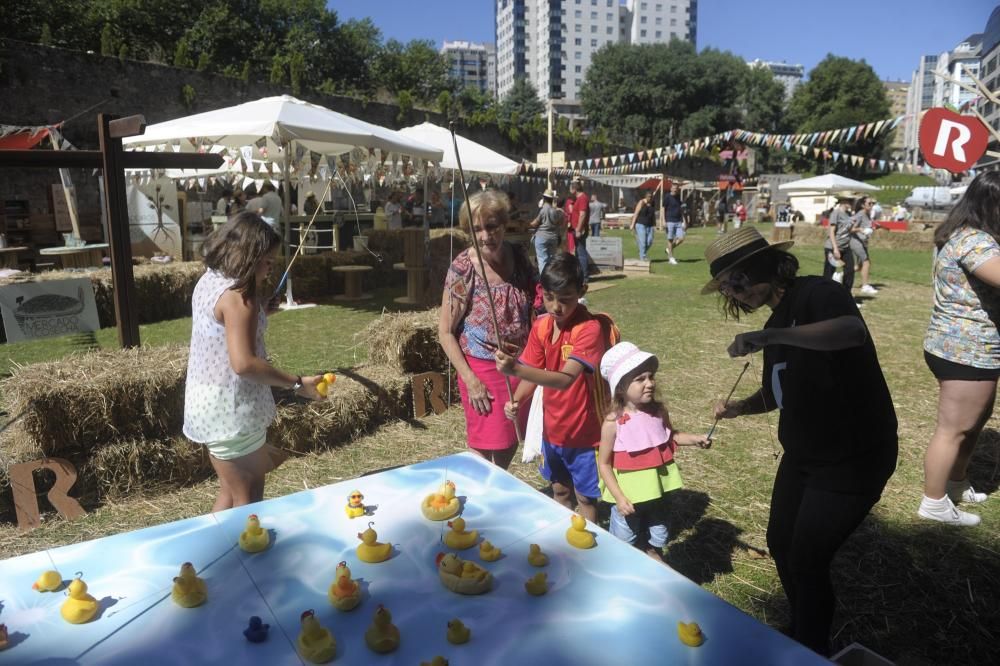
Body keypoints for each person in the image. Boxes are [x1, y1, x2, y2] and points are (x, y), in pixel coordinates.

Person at [705, 226, 897, 655]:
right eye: (726, 288)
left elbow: (850, 332)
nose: (736, 293)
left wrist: (770, 336)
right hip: (804, 456)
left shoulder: (816, 294)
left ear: (767, 266)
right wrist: (740, 407)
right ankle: (803, 629)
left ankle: (811, 648)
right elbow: (778, 394)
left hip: (852, 456)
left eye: (738, 280)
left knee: (807, 558)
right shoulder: (774, 326)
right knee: (780, 542)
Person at [183, 212, 325, 511]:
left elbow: (223, 327)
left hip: (208, 405)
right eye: (268, 261)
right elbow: (244, 363)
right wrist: (298, 383)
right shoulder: (239, 298)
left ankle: (215, 554)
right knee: (248, 505)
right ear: (250, 255)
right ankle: (241, 557)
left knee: (229, 493)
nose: (270, 268)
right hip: (232, 412)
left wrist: (261, 310)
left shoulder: (210, 281)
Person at [496, 252, 605, 523]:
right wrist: (518, 399)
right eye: (549, 297)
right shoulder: (542, 326)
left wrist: (516, 369)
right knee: (559, 489)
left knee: (585, 496)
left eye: (565, 299)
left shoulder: (589, 329)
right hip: (552, 428)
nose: (556, 307)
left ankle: (588, 540)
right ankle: (564, 538)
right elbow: (533, 373)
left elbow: (566, 380)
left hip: (584, 431)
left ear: (582, 291)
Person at [918, 171, 1000, 526]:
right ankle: (934, 503)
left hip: (968, 347)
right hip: (965, 349)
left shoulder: (965, 235)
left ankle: (956, 482)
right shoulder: (975, 242)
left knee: (972, 425)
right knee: (953, 429)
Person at [438, 190, 538, 469]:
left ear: (504, 224)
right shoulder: (463, 268)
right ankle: (480, 503)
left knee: (509, 441)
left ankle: (497, 488)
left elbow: (538, 299)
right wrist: (470, 380)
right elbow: (445, 332)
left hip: (520, 366)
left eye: (491, 227)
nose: (485, 236)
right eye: (476, 229)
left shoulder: (518, 256)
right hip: (482, 371)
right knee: (483, 448)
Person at [597, 341, 710, 561]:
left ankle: (653, 560)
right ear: (620, 387)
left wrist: (695, 439)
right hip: (629, 500)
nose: (649, 383)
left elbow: (671, 436)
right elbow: (604, 464)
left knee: (658, 537)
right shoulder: (613, 422)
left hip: (660, 495)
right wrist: (619, 498)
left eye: (651, 377)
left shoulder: (658, 412)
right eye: (640, 379)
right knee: (623, 543)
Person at [822, 196, 856, 291]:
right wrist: (835, 249)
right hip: (833, 247)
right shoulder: (836, 213)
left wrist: (858, 228)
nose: (853, 202)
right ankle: (824, 294)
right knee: (829, 273)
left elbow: (847, 230)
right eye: (851, 200)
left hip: (845, 247)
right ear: (844, 201)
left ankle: (846, 295)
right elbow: (831, 231)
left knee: (849, 271)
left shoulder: (848, 214)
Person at [530, 189, 563, 273]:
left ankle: (544, 281)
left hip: (542, 237)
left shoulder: (543, 210)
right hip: (553, 237)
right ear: (552, 199)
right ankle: (550, 279)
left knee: (542, 260)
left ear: (544, 198)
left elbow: (535, 223)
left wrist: (527, 223)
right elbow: (559, 223)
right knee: (551, 261)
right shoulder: (555, 211)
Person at [850, 198, 878, 295]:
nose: (871, 205)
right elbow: (850, 228)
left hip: (862, 242)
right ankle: (865, 286)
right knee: (866, 262)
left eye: (873, 203)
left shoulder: (868, 214)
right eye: (869, 203)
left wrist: (873, 228)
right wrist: (861, 230)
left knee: (859, 266)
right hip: (856, 241)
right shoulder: (860, 214)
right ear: (862, 205)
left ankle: (840, 276)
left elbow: (867, 226)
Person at [568, 181, 591, 283]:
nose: (569, 190)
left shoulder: (582, 198)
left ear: (574, 189)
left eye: (570, 188)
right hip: (577, 228)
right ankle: (581, 275)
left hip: (579, 230)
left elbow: (582, 215)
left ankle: (584, 277)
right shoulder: (579, 199)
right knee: (578, 252)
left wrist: (578, 229)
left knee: (581, 253)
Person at [663, 185, 686, 265]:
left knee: (681, 238)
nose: (675, 190)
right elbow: (663, 209)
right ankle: (671, 258)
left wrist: (684, 220)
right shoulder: (667, 197)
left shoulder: (678, 197)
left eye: (676, 188)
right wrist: (663, 220)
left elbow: (681, 209)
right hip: (670, 220)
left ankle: (668, 249)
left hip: (678, 221)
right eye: (674, 188)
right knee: (670, 239)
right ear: (671, 188)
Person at [631, 190, 656, 261]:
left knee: (650, 241)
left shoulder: (653, 203)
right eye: (648, 197)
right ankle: (643, 257)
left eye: (651, 197)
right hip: (640, 224)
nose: (650, 198)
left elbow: (652, 214)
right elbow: (636, 213)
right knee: (643, 242)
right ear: (645, 196)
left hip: (650, 225)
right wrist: (632, 224)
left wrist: (654, 224)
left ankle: (641, 251)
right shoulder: (641, 202)